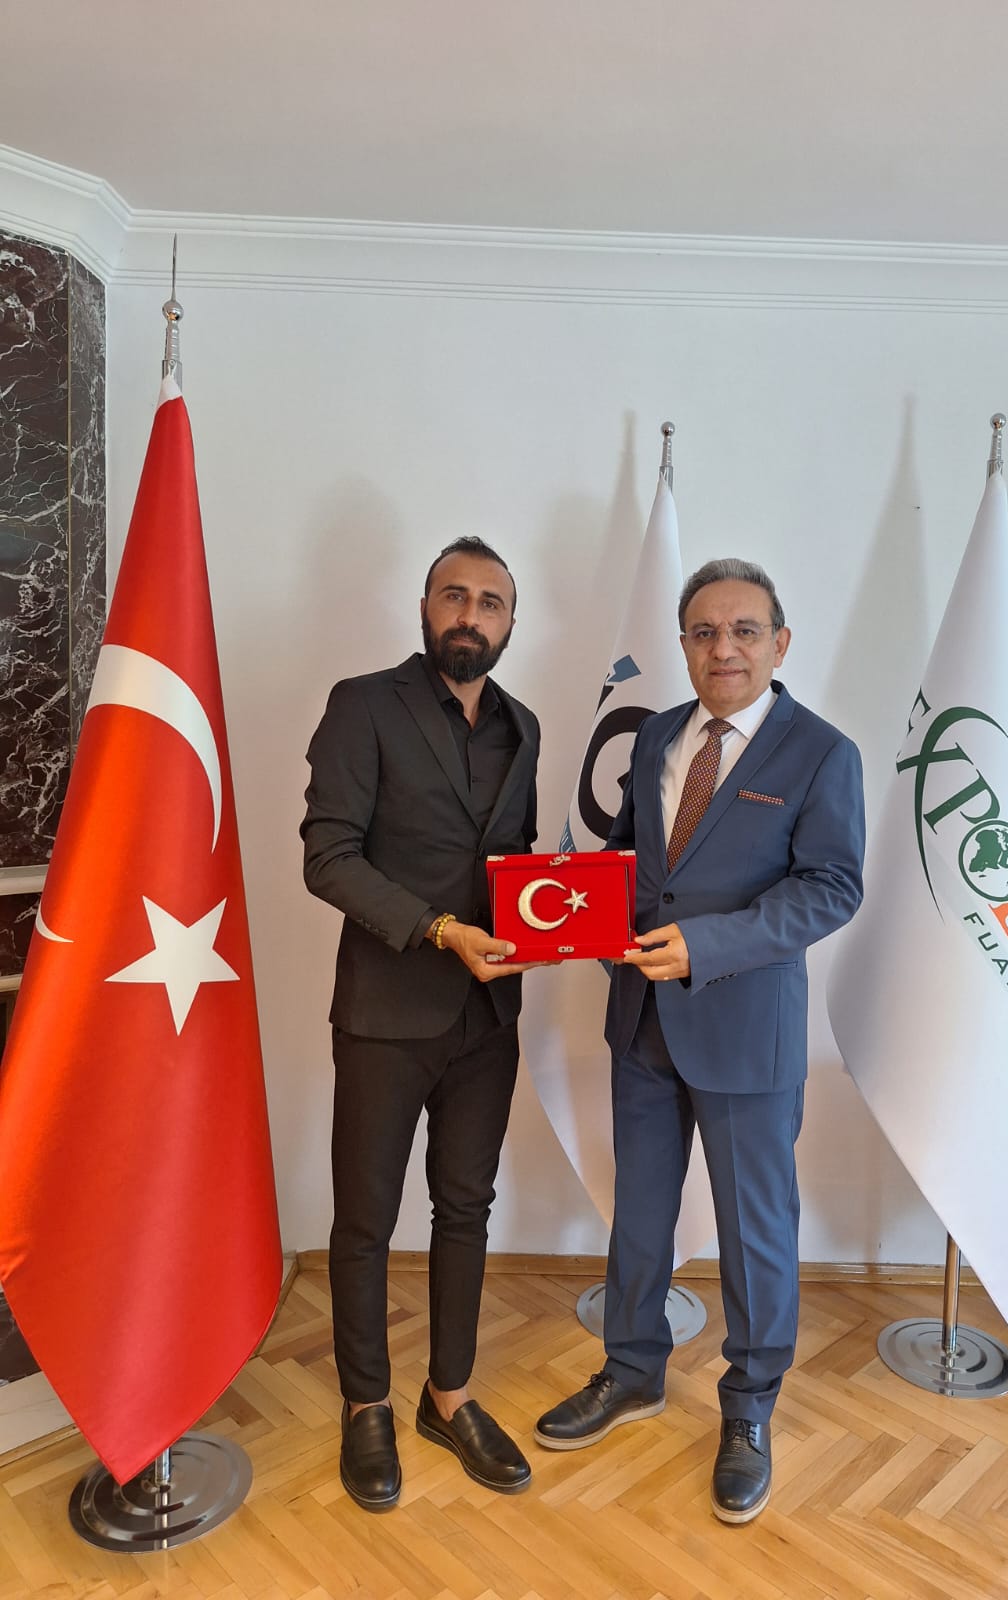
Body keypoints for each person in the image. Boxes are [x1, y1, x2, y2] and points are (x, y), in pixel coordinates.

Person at [535, 557, 865, 1525]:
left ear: (780, 643)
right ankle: (631, 1368)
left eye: (745, 630)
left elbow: (831, 888)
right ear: (683, 644)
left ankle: (749, 1405)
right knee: (639, 1211)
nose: (725, 648)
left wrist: (707, 946)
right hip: (641, 1022)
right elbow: (632, 864)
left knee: (754, 1230)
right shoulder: (656, 738)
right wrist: (561, 911)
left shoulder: (823, 752)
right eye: (705, 632)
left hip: (746, 1031)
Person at [302, 536, 542, 1511]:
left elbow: (518, 860)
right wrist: (441, 930)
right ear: (425, 606)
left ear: (511, 623)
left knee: (466, 1208)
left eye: (490, 601)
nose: (470, 614)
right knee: (365, 1219)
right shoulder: (363, 705)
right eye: (455, 595)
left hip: (489, 1018)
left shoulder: (524, 725)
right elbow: (329, 856)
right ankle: (367, 1404)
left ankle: (449, 1397)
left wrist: (550, 923)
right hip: (386, 1012)